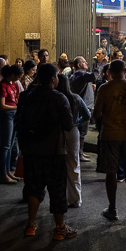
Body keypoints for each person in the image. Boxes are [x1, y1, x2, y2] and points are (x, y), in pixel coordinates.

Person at [17, 63, 78, 240]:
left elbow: (20, 123)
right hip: (54, 151)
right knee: (57, 190)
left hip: (32, 151)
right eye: (57, 76)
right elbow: (68, 124)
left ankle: (30, 224)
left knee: (34, 188)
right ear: (53, 79)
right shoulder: (59, 98)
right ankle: (59, 228)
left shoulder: (27, 96)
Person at [94, 59, 126, 221]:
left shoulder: (105, 88)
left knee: (111, 172)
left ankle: (113, 208)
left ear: (110, 72)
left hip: (110, 134)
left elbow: (97, 114)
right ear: (125, 70)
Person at [57, 73, 90, 208]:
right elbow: (87, 115)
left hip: (58, 131)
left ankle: (60, 197)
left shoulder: (56, 98)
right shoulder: (75, 98)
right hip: (73, 131)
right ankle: (75, 198)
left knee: (58, 163)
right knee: (73, 163)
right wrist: (77, 122)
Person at [0, 64, 23, 186]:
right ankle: (3, 174)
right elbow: (1, 105)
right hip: (6, 115)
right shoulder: (2, 85)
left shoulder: (14, 84)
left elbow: (17, 97)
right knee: (6, 145)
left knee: (11, 145)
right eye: (18, 76)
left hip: (14, 114)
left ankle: (7, 172)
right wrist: (17, 107)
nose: (19, 79)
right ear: (12, 74)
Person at [70, 56, 96, 162]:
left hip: (86, 105)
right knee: (81, 132)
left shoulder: (80, 75)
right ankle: (79, 153)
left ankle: (80, 152)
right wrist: (99, 65)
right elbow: (93, 75)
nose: (86, 63)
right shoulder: (80, 74)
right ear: (79, 65)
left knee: (82, 132)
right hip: (84, 106)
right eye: (84, 62)